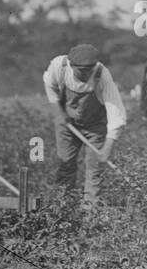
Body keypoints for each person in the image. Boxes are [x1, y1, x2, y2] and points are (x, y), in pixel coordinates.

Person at [42, 43, 126, 204]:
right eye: (81, 70)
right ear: (71, 65)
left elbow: (116, 111)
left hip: (95, 126)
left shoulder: (102, 74)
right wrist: (58, 112)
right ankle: (62, 208)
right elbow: (49, 85)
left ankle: (91, 215)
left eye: (89, 70)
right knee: (65, 164)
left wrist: (108, 146)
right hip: (67, 124)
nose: (86, 73)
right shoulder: (59, 66)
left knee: (94, 169)